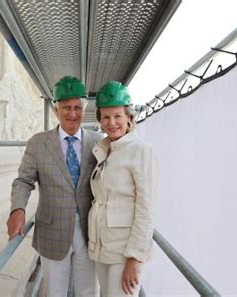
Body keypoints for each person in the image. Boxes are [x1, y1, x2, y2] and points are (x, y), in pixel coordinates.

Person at [6, 76, 102, 297]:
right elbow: (24, 181)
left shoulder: (98, 142)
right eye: (66, 107)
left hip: (90, 231)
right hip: (52, 231)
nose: (72, 113)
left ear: (84, 108)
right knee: (55, 291)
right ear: (55, 108)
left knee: (88, 291)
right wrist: (17, 209)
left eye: (77, 107)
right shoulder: (38, 143)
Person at [88, 81, 158, 297]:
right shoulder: (106, 149)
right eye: (106, 117)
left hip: (123, 253)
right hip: (102, 248)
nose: (112, 123)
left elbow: (146, 208)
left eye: (117, 116)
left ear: (129, 116)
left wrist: (134, 258)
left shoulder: (141, 151)